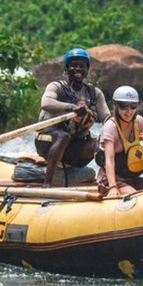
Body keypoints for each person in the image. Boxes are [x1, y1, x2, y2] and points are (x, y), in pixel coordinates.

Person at [35, 48, 110, 188]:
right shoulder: (56, 86)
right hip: (47, 141)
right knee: (63, 136)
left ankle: (108, 181)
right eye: (74, 65)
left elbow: (107, 118)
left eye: (82, 66)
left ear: (87, 70)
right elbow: (46, 103)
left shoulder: (95, 93)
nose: (78, 69)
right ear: (66, 68)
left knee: (102, 143)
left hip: (75, 149)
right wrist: (71, 107)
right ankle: (47, 184)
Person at [95, 86, 143, 196]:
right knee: (133, 196)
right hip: (112, 179)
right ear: (116, 106)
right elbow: (109, 159)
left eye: (133, 106)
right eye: (123, 107)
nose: (129, 112)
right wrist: (113, 186)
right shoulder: (111, 127)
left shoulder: (139, 122)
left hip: (133, 178)